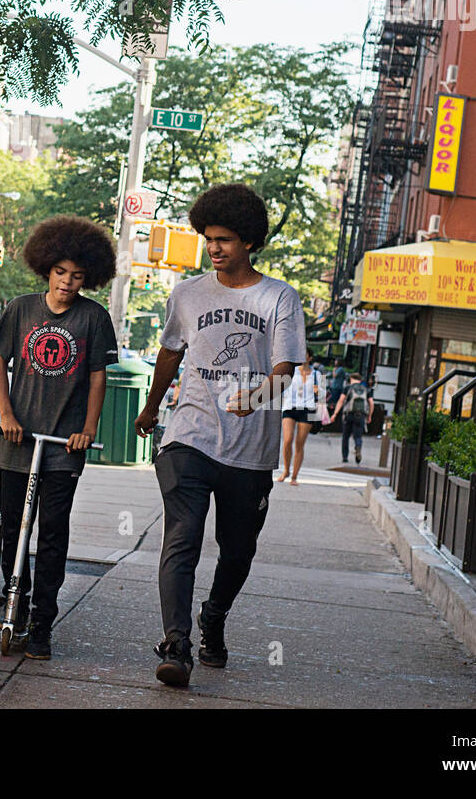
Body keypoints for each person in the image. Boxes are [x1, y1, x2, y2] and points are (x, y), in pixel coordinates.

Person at [134, 184, 305, 686]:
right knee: (181, 538)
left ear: (249, 241)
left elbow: (286, 368)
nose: (215, 248)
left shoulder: (279, 298)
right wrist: (149, 408)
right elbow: (170, 353)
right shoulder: (187, 294)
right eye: (209, 239)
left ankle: (214, 617)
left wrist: (259, 396)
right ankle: (177, 644)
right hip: (190, 436)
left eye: (225, 239)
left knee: (237, 551)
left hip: (249, 451)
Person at [0, 214, 120, 661]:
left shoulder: (94, 318)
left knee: (52, 535)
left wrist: (88, 429)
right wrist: (6, 414)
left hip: (64, 448)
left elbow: (98, 379)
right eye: (61, 272)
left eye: (77, 276)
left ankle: (43, 622)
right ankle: (15, 608)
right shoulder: (22, 308)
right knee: (13, 532)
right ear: (47, 268)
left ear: (89, 278)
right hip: (17, 443)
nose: (67, 282)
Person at [277, 356, 319, 485]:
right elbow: (282, 388)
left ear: (310, 357)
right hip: (289, 407)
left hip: (308, 409)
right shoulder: (291, 371)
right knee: (287, 440)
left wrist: (318, 391)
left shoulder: (317, 374)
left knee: (300, 443)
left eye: (305, 354)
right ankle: (286, 470)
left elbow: (322, 395)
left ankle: (294, 476)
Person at [332, 373, 372, 464]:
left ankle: (345, 457)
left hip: (349, 415)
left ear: (351, 379)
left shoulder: (347, 388)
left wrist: (335, 414)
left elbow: (341, 401)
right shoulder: (366, 390)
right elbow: (371, 403)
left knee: (345, 436)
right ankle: (358, 447)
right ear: (360, 380)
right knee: (358, 436)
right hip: (361, 416)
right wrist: (369, 415)